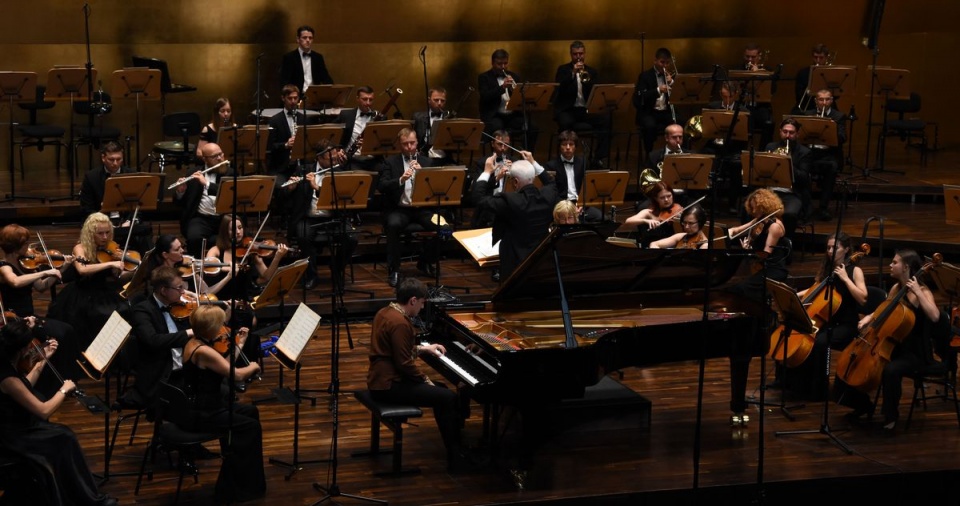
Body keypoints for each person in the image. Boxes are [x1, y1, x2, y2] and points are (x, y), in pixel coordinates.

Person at [0, 319, 118, 506]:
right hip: (13, 436)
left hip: (19, 424)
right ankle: (87, 498)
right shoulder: (6, 377)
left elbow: (24, 386)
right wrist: (63, 390)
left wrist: (43, 360)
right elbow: (43, 410)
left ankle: (78, 490)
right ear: (22, 349)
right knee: (65, 436)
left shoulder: (6, 364)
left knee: (63, 437)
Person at [835, 249, 943, 432]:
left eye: (894, 262)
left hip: (914, 352)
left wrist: (917, 291)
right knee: (853, 360)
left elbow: (935, 316)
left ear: (906, 267)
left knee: (891, 370)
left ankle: (890, 417)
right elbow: (882, 310)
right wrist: (869, 317)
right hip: (892, 347)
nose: (890, 265)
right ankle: (862, 405)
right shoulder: (896, 289)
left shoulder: (922, 291)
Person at [367, 277, 465, 471]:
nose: (421, 307)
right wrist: (425, 380)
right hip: (389, 386)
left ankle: (456, 449)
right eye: (421, 303)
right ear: (413, 300)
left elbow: (396, 349)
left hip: (378, 379)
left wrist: (423, 348)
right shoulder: (401, 323)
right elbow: (404, 364)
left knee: (442, 390)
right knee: (447, 397)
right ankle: (456, 456)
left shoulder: (384, 312)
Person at [181, 305, 265, 503]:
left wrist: (240, 343)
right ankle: (238, 486)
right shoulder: (203, 351)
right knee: (250, 427)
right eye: (220, 324)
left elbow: (225, 364)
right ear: (211, 327)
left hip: (210, 404)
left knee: (250, 412)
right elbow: (236, 375)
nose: (223, 327)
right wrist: (253, 366)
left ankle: (242, 477)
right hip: (204, 413)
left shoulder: (197, 341)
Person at [724, 188, 789, 425]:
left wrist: (748, 250)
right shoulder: (760, 223)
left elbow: (765, 254)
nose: (753, 212)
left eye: (756, 208)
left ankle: (755, 320)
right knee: (734, 287)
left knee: (739, 290)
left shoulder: (774, 226)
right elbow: (740, 236)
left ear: (764, 206)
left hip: (773, 271)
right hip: (761, 269)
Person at [783, 232, 867, 400]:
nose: (830, 251)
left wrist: (845, 279)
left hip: (846, 325)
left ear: (846, 250)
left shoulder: (854, 270)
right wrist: (796, 295)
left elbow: (863, 298)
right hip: (828, 321)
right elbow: (816, 289)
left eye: (834, 248)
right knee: (802, 337)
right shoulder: (828, 268)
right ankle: (799, 386)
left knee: (820, 342)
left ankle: (819, 390)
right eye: (828, 247)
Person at [0, 224, 80, 398]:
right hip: (15, 320)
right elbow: (15, 282)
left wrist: (61, 269)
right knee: (60, 333)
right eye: (26, 244)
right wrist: (45, 271)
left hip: (31, 316)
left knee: (67, 331)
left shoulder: (26, 264)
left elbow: (41, 287)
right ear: (16, 247)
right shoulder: (4, 267)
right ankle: (49, 387)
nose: (29, 247)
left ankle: (66, 382)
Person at [206, 215, 288, 358]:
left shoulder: (250, 251)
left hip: (241, 302)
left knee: (247, 320)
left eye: (240, 228)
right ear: (225, 231)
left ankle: (245, 361)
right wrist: (228, 267)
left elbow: (266, 276)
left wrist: (277, 257)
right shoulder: (216, 250)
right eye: (233, 229)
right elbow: (208, 265)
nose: (238, 232)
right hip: (219, 302)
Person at [47, 213, 132, 350]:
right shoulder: (80, 248)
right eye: (100, 233)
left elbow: (118, 278)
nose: (105, 237)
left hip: (104, 292)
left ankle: (112, 352)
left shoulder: (110, 248)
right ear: (91, 233)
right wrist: (110, 264)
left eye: (107, 232)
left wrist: (132, 270)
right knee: (100, 317)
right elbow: (82, 270)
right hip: (82, 294)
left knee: (124, 311)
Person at [283, 139, 359, 290]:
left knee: (352, 238)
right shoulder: (303, 170)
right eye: (328, 158)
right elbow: (284, 199)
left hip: (333, 217)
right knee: (303, 235)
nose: (333, 160)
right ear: (318, 157)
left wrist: (316, 187)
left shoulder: (339, 173)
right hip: (308, 218)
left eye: (334, 157)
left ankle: (337, 268)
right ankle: (311, 275)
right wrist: (290, 188)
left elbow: (339, 200)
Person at [473, 152, 556, 280]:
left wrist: (487, 172)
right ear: (533, 176)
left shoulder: (510, 201)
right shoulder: (548, 196)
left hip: (514, 260)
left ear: (515, 182)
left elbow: (479, 199)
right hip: (541, 257)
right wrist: (533, 162)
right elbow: (551, 183)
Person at [377, 128, 440, 288]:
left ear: (417, 142)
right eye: (405, 144)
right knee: (393, 225)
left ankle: (425, 261)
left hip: (423, 210)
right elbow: (382, 186)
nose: (409, 147)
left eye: (412, 143)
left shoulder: (427, 162)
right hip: (400, 209)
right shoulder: (390, 162)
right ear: (400, 145)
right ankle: (394, 269)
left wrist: (423, 175)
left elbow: (436, 189)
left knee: (445, 227)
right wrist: (400, 179)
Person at [129, 266, 196, 409]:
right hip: (162, 378)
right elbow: (153, 341)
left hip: (185, 373)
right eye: (179, 288)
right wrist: (188, 333)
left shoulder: (180, 307)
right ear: (164, 291)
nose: (183, 292)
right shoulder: (142, 310)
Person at [78, 140, 154, 254]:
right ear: (103, 158)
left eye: (119, 159)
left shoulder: (131, 174)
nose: (115, 163)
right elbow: (87, 208)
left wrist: (130, 220)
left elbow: (139, 204)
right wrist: (104, 222)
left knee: (144, 233)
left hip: (125, 221)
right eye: (111, 159)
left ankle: (146, 266)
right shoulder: (91, 177)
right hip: (102, 223)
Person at [123, 234, 233, 306]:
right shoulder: (158, 275)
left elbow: (207, 292)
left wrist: (228, 277)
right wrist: (193, 295)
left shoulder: (188, 267)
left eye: (181, 246)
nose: (182, 251)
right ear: (165, 255)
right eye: (177, 249)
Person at [553, 41, 609, 167]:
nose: (578, 57)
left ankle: (598, 158)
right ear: (570, 54)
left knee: (606, 120)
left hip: (585, 110)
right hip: (568, 110)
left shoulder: (591, 72)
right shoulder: (563, 70)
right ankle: (566, 157)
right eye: (575, 54)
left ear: (585, 54)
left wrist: (585, 81)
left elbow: (595, 92)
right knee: (565, 123)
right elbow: (560, 90)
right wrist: (572, 74)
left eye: (581, 54)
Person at [173, 142, 234, 257]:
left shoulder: (231, 173)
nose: (220, 158)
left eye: (221, 154)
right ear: (205, 159)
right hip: (201, 218)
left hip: (224, 218)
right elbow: (179, 203)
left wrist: (207, 184)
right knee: (194, 238)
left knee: (236, 236)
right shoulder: (193, 173)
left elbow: (229, 193)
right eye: (215, 156)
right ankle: (196, 268)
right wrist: (180, 191)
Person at [477, 49, 538, 151]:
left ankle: (526, 157)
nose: (503, 67)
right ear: (492, 63)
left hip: (512, 116)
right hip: (494, 116)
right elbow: (485, 96)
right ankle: (499, 158)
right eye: (499, 64)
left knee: (533, 128)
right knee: (498, 128)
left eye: (505, 63)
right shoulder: (484, 77)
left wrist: (514, 91)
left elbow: (521, 99)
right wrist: (502, 87)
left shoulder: (514, 76)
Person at [803, 89, 847, 221]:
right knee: (800, 169)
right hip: (811, 154)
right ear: (816, 101)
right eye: (821, 99)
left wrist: (830, 128)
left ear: (832, 101)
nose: (824, 102)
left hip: (829, 154)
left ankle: (823, 207)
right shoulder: (807, 114)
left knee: (832, 169)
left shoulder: (838, 116)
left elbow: (843, 138)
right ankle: (806, 206)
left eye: (827, 99)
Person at [763, 117, 810, 233]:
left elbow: (803, 178)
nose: (788, 135)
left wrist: (787, 163)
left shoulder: (804, 152)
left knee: (789, 214)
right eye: (785, 132)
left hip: (791, 194)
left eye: (791, 133)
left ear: (797, 134)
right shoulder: (770, 147)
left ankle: (786, 244)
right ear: (780, 132)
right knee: (749, 208)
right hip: (770, 192)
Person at [544, 130, 602, 223]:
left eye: (571, 144)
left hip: (580, 204)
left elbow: (587, 186)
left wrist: (583, 204)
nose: (568, 147)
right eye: (564, 144)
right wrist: (569, 207)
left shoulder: (583, 162)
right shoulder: (551, 165)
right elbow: (552, 192)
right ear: (559, 147)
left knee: (601, 217)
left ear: (575, 147)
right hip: (562, 204)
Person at [634, 47, 678, 159]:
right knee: (649, 126)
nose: (665, 66)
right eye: (662, 62)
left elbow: (679, 96)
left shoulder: (671, 76)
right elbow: (640, 97)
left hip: (665, 112)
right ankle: (649, 157)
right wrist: (658, 90)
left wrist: (672, 83)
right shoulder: (645, 76)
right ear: (655, 61)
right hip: (649, 112)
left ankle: (679, 155)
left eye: (667, 63)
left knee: (682, 123)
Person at [336, 85, 383, 170]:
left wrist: (369, 144)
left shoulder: (379, 118)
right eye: (364, 99)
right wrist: (338, 150)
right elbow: (335, 136)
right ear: (357, 98)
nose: (368, 103)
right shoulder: (346, 115)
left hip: (373, 161)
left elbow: (383, 143)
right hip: (352, 160)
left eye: (371, 99)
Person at [622, 181, 682, 245]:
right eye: (662, 197)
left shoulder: (677, 209)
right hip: (651, 247)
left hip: (671, 246)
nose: (666, 200)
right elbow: (628, 221)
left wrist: (680, 221)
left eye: (669, 196)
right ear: (656, 198)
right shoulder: (649, 212)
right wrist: (646, 221)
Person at [738, 43, 774, 147]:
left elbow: (773, 90)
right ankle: (741, 151)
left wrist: (759, 74)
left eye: (753, 57)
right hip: (742, 106)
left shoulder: (767, 70)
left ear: (759, 56)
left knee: (769, 123)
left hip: (760, 106)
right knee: (743, 118)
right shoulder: (738, 70)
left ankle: (764, 151)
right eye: (747, 56)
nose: (750, 60)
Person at [267, 85, 307, 178]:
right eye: (289, 98)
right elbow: (270, 147)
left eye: (295, 98)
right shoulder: (275, 120)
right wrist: (285, 145)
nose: (293, 101)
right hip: (281, 168)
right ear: (283, 98)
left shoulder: (304, 119)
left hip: (300, 166)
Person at [279, 25, 333, 93]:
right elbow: (284, 82)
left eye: (310, 38)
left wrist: (333, 90)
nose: (308, 40)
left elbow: (326, 78)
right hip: (296, 97)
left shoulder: (318, 57)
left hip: (315, 97)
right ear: (298, 39)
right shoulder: (289, 58)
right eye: (304, 37)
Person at [413, 87, 453, 163]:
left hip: (446, 160)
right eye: (436, 100)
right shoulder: (418, 118)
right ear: (429, 100)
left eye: (442, 101)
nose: (439, 103)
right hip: (424, 160)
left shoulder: (449, 119)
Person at [794, 44, 831, 113]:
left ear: (826, 58)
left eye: (821, 58)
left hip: (827, 106)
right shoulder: (803, 73)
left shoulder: (831, 73)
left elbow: (837, 95)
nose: (818, 60)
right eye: (815, 57)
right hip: (807, 107)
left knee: (838, 116)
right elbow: (798, 96)